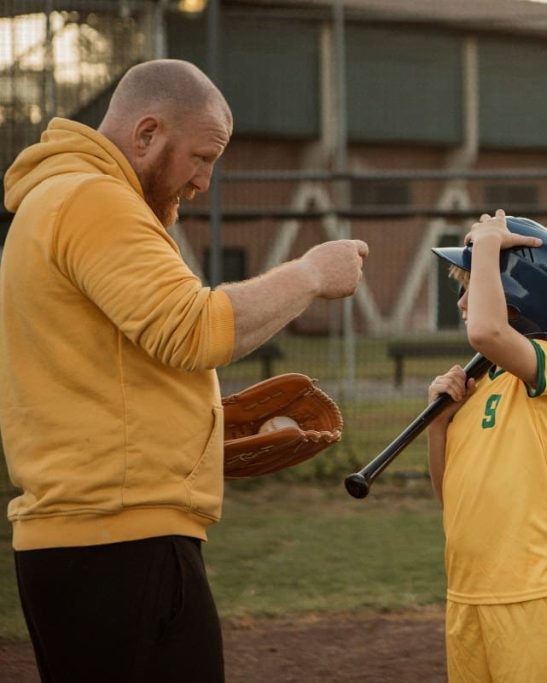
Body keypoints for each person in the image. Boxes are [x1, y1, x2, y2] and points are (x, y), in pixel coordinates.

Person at [0, 59, 368, 682]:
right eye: (201, 157)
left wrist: (194, 428)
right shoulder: (94, 199)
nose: (203, 182)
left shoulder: (60, 199)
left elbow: (113, 369)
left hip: (95, 538)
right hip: (119, 544)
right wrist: (310, 275)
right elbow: (192, 329)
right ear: (146, 134)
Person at [426, 209, 547, 682]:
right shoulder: (479, 385)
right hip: (467, 596)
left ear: (521, 298)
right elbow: (450, 500)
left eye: (472, 285)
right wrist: (438, 424)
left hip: (531, 597)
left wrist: (486, 245)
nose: (463, 302)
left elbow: (486, 330)